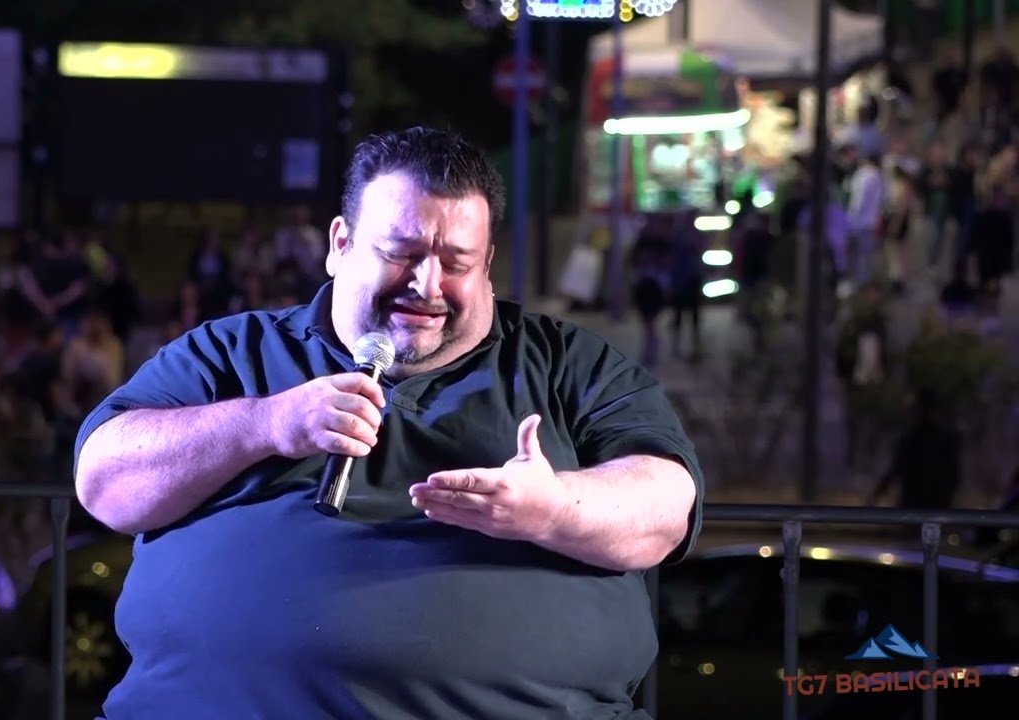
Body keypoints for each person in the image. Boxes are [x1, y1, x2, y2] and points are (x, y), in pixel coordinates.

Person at [73, 127, 704, 719]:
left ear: (487, 264)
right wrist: (263, 424)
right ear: (340, 243)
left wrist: (554, 510)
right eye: (401, 253)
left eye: (457, 262)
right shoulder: (231, 353)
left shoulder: (569, 364)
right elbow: (105, 479)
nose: (427, 285)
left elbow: (665, 504)